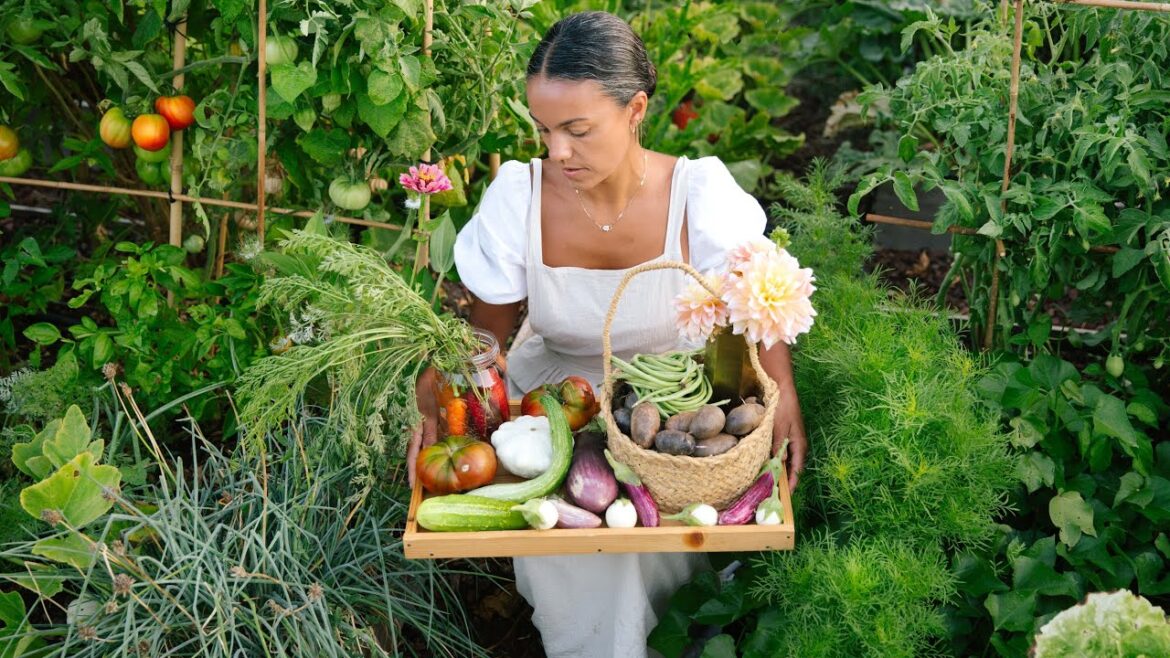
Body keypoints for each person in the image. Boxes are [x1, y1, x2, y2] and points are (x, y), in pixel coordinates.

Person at [407, 11, 807, 658]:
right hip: (556, 402)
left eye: (578, 130)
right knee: (585, 548)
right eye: (543, 130)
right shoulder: (520, 197)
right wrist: (442, 389)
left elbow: (757, 305)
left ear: (635, 110)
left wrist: (782, 393)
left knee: (648, 544)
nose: (556, 151)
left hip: (672, 407)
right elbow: (486, 335)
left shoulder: (697, 195)